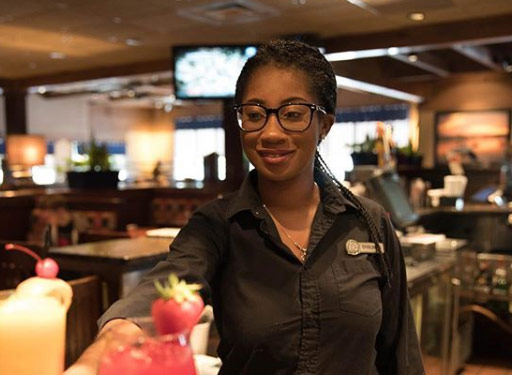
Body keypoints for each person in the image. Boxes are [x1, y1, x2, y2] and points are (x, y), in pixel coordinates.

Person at [64, 40, 424, 375]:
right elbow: (168, 284)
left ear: (324, 125)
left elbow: (400, 353)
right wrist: (106, 346)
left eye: (293, 113)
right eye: (254, 114)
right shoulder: (217, 225)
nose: (270, 132)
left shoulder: (368, 222)